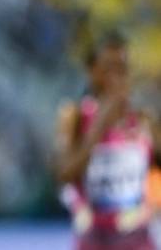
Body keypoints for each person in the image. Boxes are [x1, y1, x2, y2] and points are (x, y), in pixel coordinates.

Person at [56, 32, 160, 250]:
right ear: (92, 71)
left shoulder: (142, 119)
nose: (116, 77)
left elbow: (155, 171)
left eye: (122, 68)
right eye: (107, 68)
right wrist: (99, 127)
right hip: (94, 238)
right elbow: (64, 173)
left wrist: (150, 206)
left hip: (137, 238)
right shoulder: (75, 116)